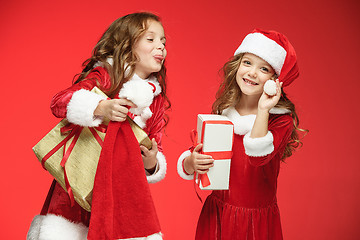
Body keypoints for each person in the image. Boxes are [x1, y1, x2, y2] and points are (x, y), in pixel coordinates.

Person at [27, 12, 169, 240]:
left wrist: (151, 161)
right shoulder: (106, 76)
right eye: (150, 39)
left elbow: (155, 148)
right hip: (78, 190)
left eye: (163, 41)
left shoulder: (156, 100)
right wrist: (100, 107)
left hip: (119, 194)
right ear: (127, 44)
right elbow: (58, 102)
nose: (160, 46)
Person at [177, 29, 307, 239]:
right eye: (247, 62)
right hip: (217, 216)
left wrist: (263, 109)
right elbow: (195, 154)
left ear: (276, 80)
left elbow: (258, 157)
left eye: (263, 68)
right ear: (237, 65)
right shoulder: (225, 110)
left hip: (255, 223)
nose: (252, 73)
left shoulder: (280, 120)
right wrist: (191, 162)